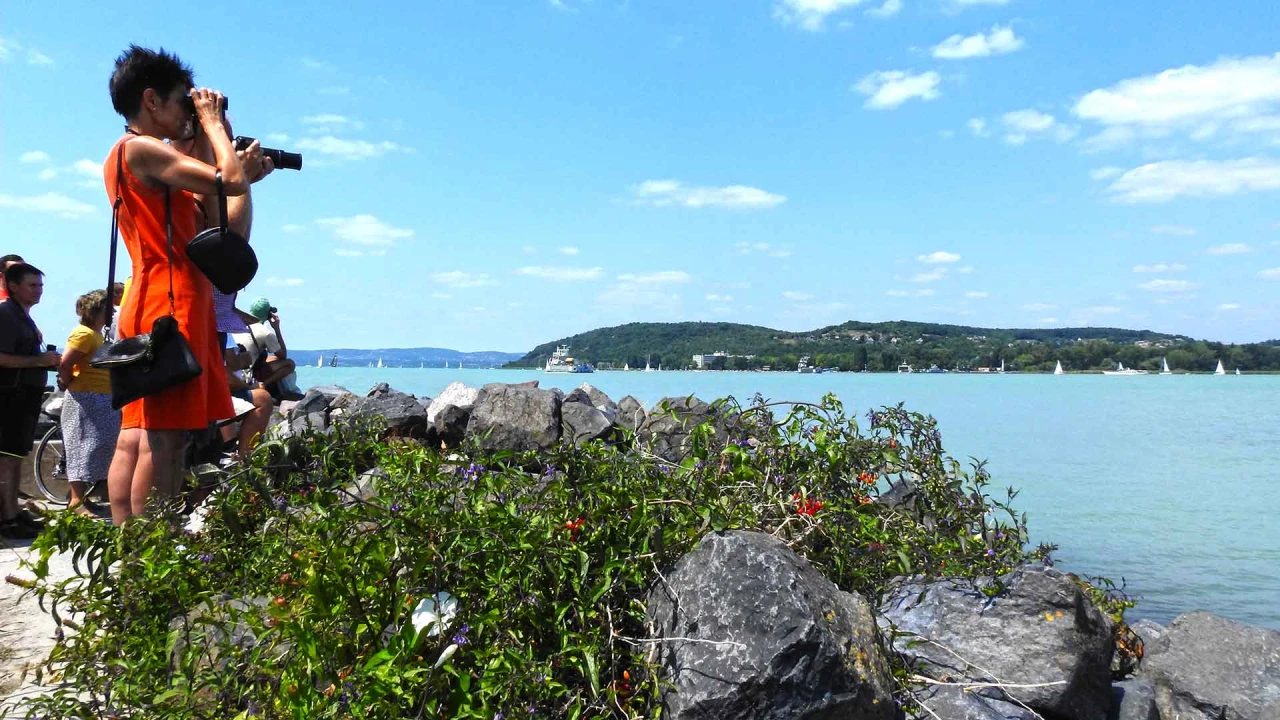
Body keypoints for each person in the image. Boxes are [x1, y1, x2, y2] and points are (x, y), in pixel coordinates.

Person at [101, 45, 249, 526]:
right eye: (179, 100)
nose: (186, 108)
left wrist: (204, 141)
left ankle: (129, 553)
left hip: (151, 295)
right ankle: (153, 559)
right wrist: (211, 124)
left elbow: (209, 214)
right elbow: (228, 180)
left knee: (139, 434)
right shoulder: (141, 148)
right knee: (166, 442)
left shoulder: (127, 155)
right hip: (172, 301)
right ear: (150, 100)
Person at [0, 263, 60, 538]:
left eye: (40, 286)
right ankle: (8, 518)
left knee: (13, 459)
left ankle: (13, 513)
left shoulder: (21, 316)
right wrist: (39, 360)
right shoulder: (6, 315)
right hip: (10, 398)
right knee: (7, 460)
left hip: (23, 398)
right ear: (13, 286)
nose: (38, 291)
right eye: (32, 285)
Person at [56, 290, 121, 515]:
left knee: (99, 446)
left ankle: (85, 497)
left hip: (101, 396)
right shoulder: (83, 334)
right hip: (86, 397)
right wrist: (66, 382)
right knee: (82, 447)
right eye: (107, 308)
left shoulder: (96, 335)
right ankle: (76, 500)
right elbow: (66, 363)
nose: (112, 311)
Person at [231, 298, 297, 396]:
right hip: (248, 374)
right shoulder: (265, 332)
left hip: (235, 371)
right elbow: (283, 355)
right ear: (268, 314)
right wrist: (276, 328)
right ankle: (262, 386)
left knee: (274, 358)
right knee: (290, 364)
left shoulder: (239, 325)